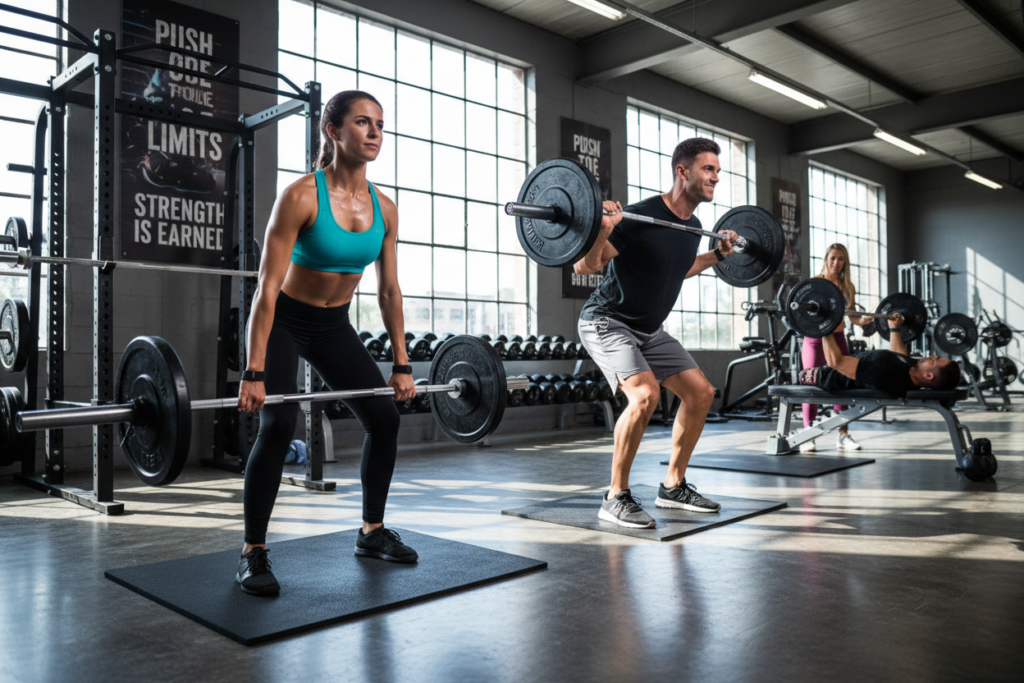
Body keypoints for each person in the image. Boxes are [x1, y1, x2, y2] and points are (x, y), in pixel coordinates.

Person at [234, 91, 418, 596]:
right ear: (333, 130)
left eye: (380, 124)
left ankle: (372, 532)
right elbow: (266, 289)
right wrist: (254, 371)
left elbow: (387, 290)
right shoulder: (301, 197)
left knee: (384, 419)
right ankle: (253, 551)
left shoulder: (385, 208)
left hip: (334, 326)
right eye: (363, 122)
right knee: (278, 423)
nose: (376, 132)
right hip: (286, 322)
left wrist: (401, 363)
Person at [574, 138, 738, 529]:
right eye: (708, 169)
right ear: (682, 172)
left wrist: (716, 256)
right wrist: (604, 229)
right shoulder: (640, 216)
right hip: (607, 320)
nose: (717, 176)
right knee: (645, 395)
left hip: (649, 329)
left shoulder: (694, 226)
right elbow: (585, 267)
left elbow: (676, 267)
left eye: (717, 169)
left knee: (701, 393)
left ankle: (673, 485)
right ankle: (615, 496)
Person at [799, 243, 872, 453]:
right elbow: (805, 313)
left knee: (842, 383)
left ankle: (842, 434)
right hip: (815, 338)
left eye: (841, 259)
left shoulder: (847, 286)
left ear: (845, 262)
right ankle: (808, 434)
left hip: (839, 338)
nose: (836, 263)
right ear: (826, 259)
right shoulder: (816, 283)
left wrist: (863, 320)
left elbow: (853, 316)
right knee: (812, 384)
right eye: (833, 258)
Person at [799, 312, 961, 395]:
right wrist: (894, 328)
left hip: (826, 376)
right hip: (833, 367)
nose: (933, 356)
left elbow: (837, 363)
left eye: (935, 360)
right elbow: (898, 355)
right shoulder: (913, 371)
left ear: (929, 376)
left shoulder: (884, 374)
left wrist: (826, 326)